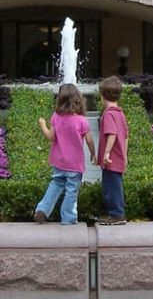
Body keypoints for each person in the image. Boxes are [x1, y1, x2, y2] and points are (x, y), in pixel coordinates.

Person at [34, 83, 95, 225]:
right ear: (78, 100)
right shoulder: (81, 120)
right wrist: (93, 154)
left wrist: (42, 124)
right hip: (74, 164)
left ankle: (42, 209)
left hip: (59, 162)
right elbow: (90, 140)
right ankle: (68, 218)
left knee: (55, 184)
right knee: (71, 190)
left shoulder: (56, 117)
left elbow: (50, 136)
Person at [97, 76, 129, 225]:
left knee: (111, 188)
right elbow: (126, 137)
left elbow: (112, 134)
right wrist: (125, 155)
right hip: (119, 157)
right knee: (116, 185)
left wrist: (107, 153)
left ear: (102, 96)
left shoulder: (108, 114)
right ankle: (117, 213)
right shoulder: (120, 113)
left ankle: (116, 215)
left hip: (111, 159)